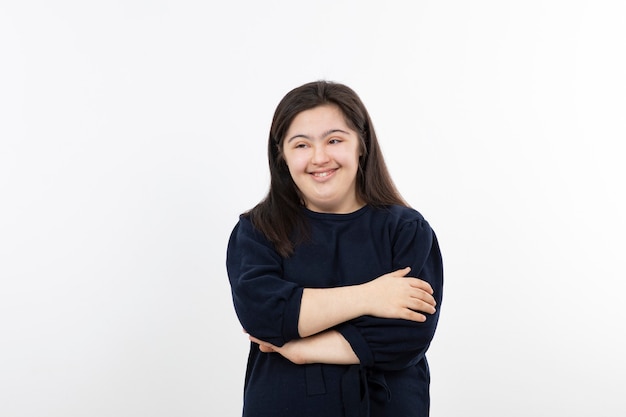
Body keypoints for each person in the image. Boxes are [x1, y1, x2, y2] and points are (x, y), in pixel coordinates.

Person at [226, 80, 443, 417]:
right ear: (281, 155)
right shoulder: (258, 230)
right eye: (301, 145)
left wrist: (302, 348)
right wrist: (371, 296)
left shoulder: (405, 229)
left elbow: (408, 335)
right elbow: (263, 314)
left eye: (334, 140)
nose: (320, 157)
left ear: (361, 145)